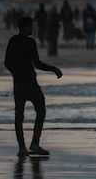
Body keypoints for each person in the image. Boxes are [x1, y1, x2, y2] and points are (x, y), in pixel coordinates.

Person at [4, 16, 62, 157]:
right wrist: (53, 69)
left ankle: (22, 148)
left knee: (19, 115)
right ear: (24, 27)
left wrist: (16, 74)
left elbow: (7, 62)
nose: (33, 28)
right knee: (41, 109)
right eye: (31, 26)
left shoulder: (12, 40)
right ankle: (34, 144)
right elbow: (37, 63)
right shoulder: (30, 42)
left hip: (18, 83)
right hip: (30, 82)